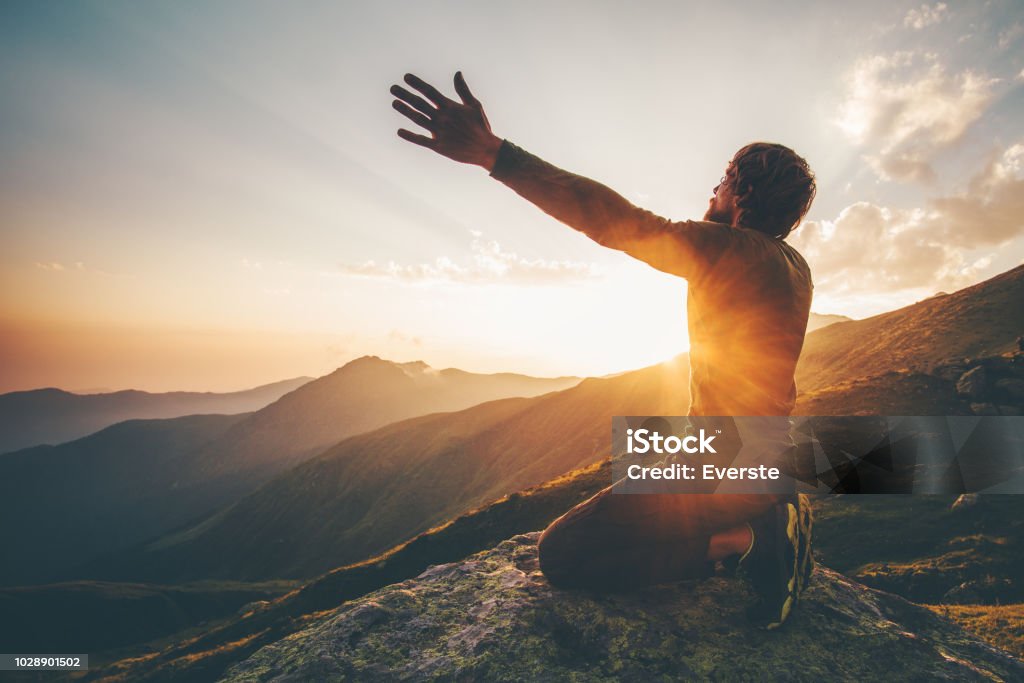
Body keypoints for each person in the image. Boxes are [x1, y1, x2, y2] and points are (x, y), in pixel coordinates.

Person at [390, 71, 816, 628]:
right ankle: (763, 517)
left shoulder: (730, 249)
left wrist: (496, 155)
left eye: (721, 181)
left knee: (562, 556)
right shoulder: (793, 267)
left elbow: (618, 224)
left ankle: (748, 540)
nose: (710, 193)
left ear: (743, 193)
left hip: (722, 470)